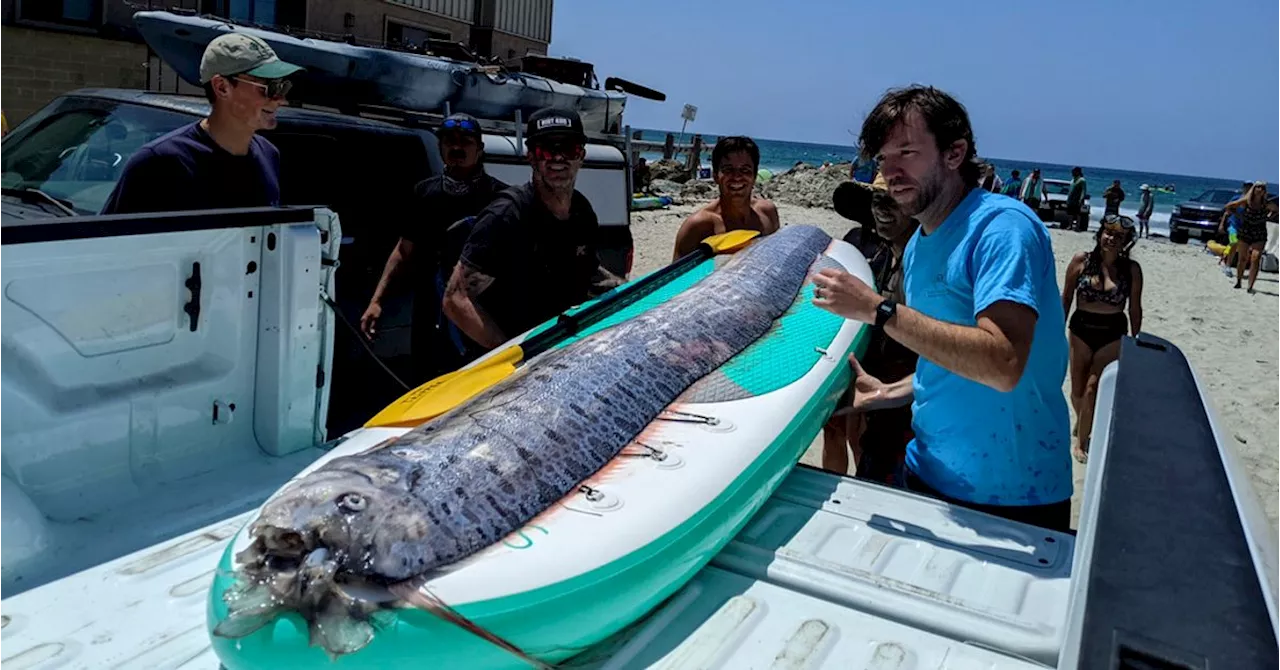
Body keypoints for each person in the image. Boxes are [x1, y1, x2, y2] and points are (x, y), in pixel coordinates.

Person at [810, 85, 1072, 532]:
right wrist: (890, 392)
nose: (890, 172)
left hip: (1012, 494)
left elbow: (1003, 362)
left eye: (907, 153)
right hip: (926, 471)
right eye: (883, 158)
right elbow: (950, 356)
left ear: (954, 154)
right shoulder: (919, 246)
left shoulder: (1002, 229)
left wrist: (880, 310)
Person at [441, 108, 625, 350]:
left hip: (561, 345)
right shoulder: (506, 216)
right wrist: (512, 353)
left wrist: (630, 291)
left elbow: (590, 270)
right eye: (546, 149)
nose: (557, 158)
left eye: (568, 149)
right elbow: (455, 299)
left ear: (581, 156)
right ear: (531, 156)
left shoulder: (582, 213)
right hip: (515, 357)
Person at [360, 113, 509, 381]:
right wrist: (377, 301)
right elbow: (404, 251)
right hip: (431, 316)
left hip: (484, 314)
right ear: (440, 147)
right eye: (449, 141)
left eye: (466, 141)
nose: (457, 147)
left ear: (480, 149)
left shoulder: (502, 198)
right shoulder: (424, 193)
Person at [101, 34, 303, 214]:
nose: (280, 99)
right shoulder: (159, 163)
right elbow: (108, 247)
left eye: (283, 87)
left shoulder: (268, 155)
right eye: (269, 87)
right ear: (222, 87)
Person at [821, 171, 920, 484]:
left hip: (899, 367)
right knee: (837, 428)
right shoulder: (855, 242)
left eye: (893, 200)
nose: (883, 209)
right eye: (878, 199)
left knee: (869, 441)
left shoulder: (920, 257)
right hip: (854, 354)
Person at [1061, 214, 1143, 464]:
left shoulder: (1131, 270)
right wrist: (1057, 329)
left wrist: (1136, 340)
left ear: (1127, 242)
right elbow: (1066, 299)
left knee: (1092, 387)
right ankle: (1083, 420)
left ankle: (1081, 441)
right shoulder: (1080, 261)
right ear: (1099, 234)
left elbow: (1135, 308)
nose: (1112, 239)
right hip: (1081, 329)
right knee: (1076, 390)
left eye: (1119, 236)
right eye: (1108, 233)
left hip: (1113, 332)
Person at [671, 136, 780, 260]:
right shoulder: (698, 226)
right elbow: (676, 276)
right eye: (728, 170)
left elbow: (775, 260)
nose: (737, 176)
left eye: (745, 170)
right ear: (716, 176)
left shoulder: (767, 213)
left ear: (754, 176)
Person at [1221, 181, 1280, 293]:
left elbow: (1277, 210)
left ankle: (1250, 286)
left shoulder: (1266, 203)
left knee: (1256, 258)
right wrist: (1238, 215)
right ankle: (1239, 281)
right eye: (1258, 187)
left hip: (1259, 232)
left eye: (1262, 188)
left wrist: (1268, 217)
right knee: (1242, 258)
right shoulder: (1246, 202)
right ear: (1254, 189)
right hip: (1245, 231)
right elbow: (1228, 206)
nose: (1260, 189)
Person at [1067, 167, 1088, 231]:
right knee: (1070, 213)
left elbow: (1083, 191)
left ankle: (1077, 227)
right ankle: (1070, 226)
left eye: (1073, 171)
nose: (1072, 173)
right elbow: (1070, 190)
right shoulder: (1073, 180)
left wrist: (1081, 199)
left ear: (1077, 172)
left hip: (1077, 200)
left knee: (1078, 214)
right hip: (1071, 200)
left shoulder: (1082, 180)